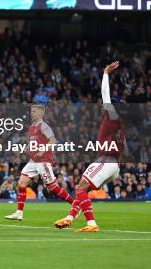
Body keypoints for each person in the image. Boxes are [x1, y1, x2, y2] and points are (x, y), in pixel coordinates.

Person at [55, 61, 126, 232]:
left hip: (106, 161)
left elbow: (105, 95)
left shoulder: (112, 117)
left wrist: (105, 74)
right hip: (113, 164)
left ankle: (91, 223)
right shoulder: (119, 124)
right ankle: (70, 217)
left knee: (80, 187)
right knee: (83, 189)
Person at [4, 104, 74, 221]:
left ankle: (75, 204)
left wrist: (43, 150)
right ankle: (19, 212)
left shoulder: (44, 126)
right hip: (34, 160)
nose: (31, 113)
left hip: (43, 161)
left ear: (41, 113)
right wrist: (28, 147)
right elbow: (34, 141)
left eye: (34, 111)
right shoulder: (32, 127)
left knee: (52, 188)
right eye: (31, 111)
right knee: (21, 183)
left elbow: (53, 140)